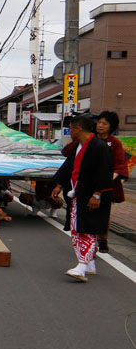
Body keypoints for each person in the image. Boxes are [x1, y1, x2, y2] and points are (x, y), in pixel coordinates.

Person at [51, 114, 113, 281]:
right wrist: (59, 184)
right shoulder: (79, 146)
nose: (69, 131)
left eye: (71, 128)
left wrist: (97, 195)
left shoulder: (99, 147)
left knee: (85, 230)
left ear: (78, 128)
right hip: (79, 194)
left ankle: (82, 266)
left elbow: (105, 172)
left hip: (92, 195)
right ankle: (89, 263)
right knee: (78, 228)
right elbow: (68, 167)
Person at [94, 110, 128, 253]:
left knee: (104, 212)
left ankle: (102, 239)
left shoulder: (114, 143)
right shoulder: (90, 139)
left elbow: (120, 164)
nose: (100, 126)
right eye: (99, 122)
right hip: (89, 182)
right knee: (89, 212)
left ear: (111, 127)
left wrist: (106, 181)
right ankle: (90, 243)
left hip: (108, 184)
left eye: (105, 123)